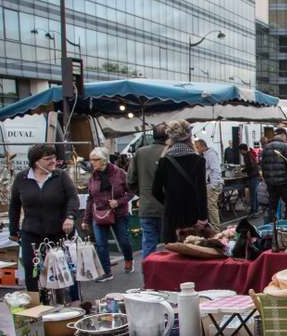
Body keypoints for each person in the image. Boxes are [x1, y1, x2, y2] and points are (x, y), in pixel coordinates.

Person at [8, 144, 79, 292]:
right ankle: (36, 304)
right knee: (30, 267)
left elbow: (73, 197)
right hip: (31, 231)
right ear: (36, 162)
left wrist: (70, 217)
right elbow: (14, 205)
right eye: (48, 159)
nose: (53, 161)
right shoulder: (22, 178)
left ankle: (73, 301)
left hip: (58, 230)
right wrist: (13, 230)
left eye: (54, 157)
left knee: (64, 266)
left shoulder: (61, 176)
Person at [83, 147, 134, 281]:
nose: (92, 162)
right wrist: (85, 219)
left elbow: (131, 192)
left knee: (123, 240)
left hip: (119, 213)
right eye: (91, 160)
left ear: (104, 160)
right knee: (100, 243)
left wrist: (118, 202)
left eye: (96, 160)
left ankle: (129, 259)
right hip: (99, 213)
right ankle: (106, 272)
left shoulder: (120, 173)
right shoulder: (92, 177)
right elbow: (90, 198)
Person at [152, 120, 208, 243]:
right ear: (189, 137)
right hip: (193, 216)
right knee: (193, 253)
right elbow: (201, 191)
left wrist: (169, 201)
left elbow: (155, 191)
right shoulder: (198, 161)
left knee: (173, 255)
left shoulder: (164, 161)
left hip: (172, 216)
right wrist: (203, 218)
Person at [127, 123, 168, 259]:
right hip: (168, 206)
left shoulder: (140, 153)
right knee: (171, 245)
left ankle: (149, 274)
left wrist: (142, 194)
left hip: (147, 205)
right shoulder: (170, 152)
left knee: (149, 243)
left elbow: (131, 180)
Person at [261, 127, 287, 221]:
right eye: (286, 137)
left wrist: (267, 179)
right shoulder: (285, 147)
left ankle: (272, 225)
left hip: (271, 183)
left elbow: (262, 165)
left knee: (272, 205)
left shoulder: (266, 147)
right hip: (283, 182)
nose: (286, 139)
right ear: (283, 135)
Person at [195, 139, 223, 232]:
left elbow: (216, 170)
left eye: (198, 147)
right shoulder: (205, 154)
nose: (197, 149)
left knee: (212, 207)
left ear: (203, 146)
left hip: (212, 184)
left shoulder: (211, 154)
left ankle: (216, 229)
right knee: (210, 207)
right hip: (209, 184)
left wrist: (213, 185)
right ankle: (213, 228)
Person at [239, 142, 261, 216]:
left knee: (253, 194)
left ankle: (254, 210)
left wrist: (243, 170)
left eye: (240, 151)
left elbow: (251, 166)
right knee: (255, 194)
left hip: (253, 176)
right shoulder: (250, 154)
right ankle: (256, 209)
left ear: (243, 150)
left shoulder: (248, 156)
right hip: (255, 176)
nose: (240, 153)